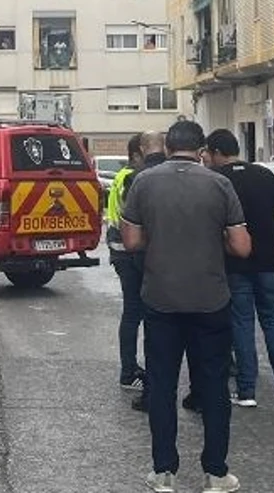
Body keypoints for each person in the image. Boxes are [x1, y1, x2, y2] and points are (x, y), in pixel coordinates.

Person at [121, 119, 250, 493]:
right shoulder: (219, 183)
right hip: (210, 300)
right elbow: (242, 247)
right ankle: (216, 473)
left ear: (167, 146)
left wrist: (158, 237)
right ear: (200, 150)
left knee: (161, 386)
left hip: (160, 299)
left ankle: (164, 472)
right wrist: (216, 241)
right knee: (212, 387)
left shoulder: (144, 182)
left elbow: (131, 241)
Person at [206, 129, 274, 408]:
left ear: (217, 152)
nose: (207, 160)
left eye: (209, 154)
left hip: (235, 264)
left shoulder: (218, 181)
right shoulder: (265, 176)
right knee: (273, 321)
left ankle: (247, 392)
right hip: (269, 262)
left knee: (242, 323)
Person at [106, 133, 155, 393]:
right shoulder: (132, 176)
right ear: (139, 152)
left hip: (120, 248)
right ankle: (129, 370)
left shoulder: (123, 174)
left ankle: (131, 369)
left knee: (133, 311)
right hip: (128, 251)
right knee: (136, 311)